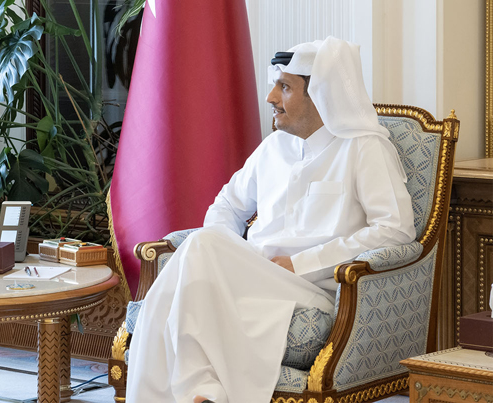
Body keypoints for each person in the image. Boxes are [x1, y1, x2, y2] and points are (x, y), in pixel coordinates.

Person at [125, 37, 415, 403]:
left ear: (320, 94)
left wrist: (300, 263)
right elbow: (226, 206)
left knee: (196, 258)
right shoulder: (273, 148)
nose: (271, 98)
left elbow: (396, 231)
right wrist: (229, 256)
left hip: (311, 286)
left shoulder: (363, 147)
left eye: (285, 87)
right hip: (253, 276)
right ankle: (202, 395)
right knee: (203, 252)